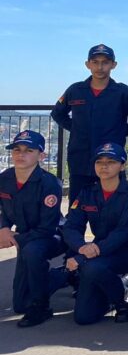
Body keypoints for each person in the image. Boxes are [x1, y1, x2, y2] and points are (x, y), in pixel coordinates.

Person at [63, 143, 128, 325]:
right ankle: (109, 291)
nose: (104, 166)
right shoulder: (87, 193)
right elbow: (71, 226)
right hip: (96, 250)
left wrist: (85, 256)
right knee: (84, 317)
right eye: (99, 162)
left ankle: (122, 298)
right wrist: (82, 247)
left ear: (122, 165)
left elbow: (123, 233)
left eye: (111, 161)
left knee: (92, 267)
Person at [51, 44, 128, 203]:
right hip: (80, 159)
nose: (100, 67)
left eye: (105, 62)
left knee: (116, 207)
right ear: (88, 64)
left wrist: (119, 132)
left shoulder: (122, 92)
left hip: (112, 160)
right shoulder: (75, 90)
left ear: (114, 65)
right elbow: (58, 113)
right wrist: (76, 129)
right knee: (76, 207)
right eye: (95, 62)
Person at [0, 130, 66, 327]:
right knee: (20, 305)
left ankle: (41, 306)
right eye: (17, 150)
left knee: (32, 250)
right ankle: (64, 275)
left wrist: (13, 239)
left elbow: (47, 228)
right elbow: (1, 210)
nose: (21, 154)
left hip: (51, 236)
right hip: (24, 237)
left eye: (29, 150)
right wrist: (3, 228)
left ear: (41, 156)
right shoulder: (4, 179)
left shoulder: (50, 183)